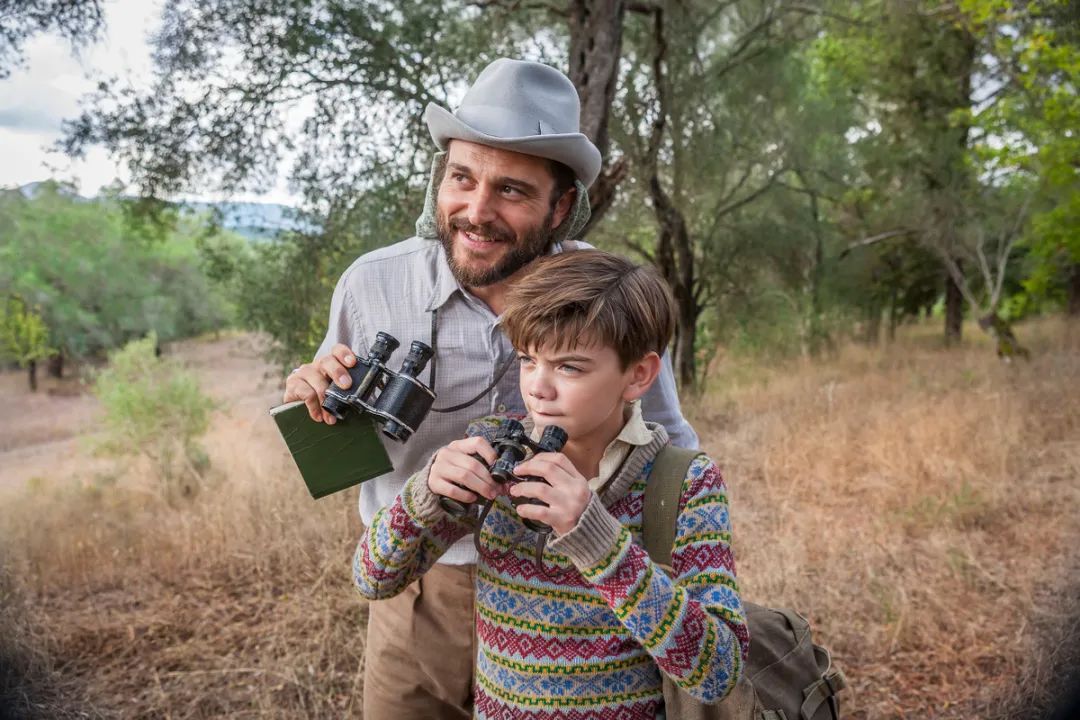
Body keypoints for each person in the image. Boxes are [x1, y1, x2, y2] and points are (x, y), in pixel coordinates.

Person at [282, 58, 699, 718]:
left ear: (561, 207)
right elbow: (339, 457)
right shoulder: (372, 285)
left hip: (574, 596)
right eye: (461, 178)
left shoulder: (609, 296)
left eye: (511, 190)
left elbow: (668, 448)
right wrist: (315, 404)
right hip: (418, 587)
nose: (476, 211)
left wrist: (658, 593)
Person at [354, 250, 748, 718]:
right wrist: (425, 495)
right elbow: (373, 579)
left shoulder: (685, 482)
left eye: (569, 367)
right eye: (527, 360)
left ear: (638, 375)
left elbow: (719, 671)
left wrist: (598, 542)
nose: (538, 388)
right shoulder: (498, 447)